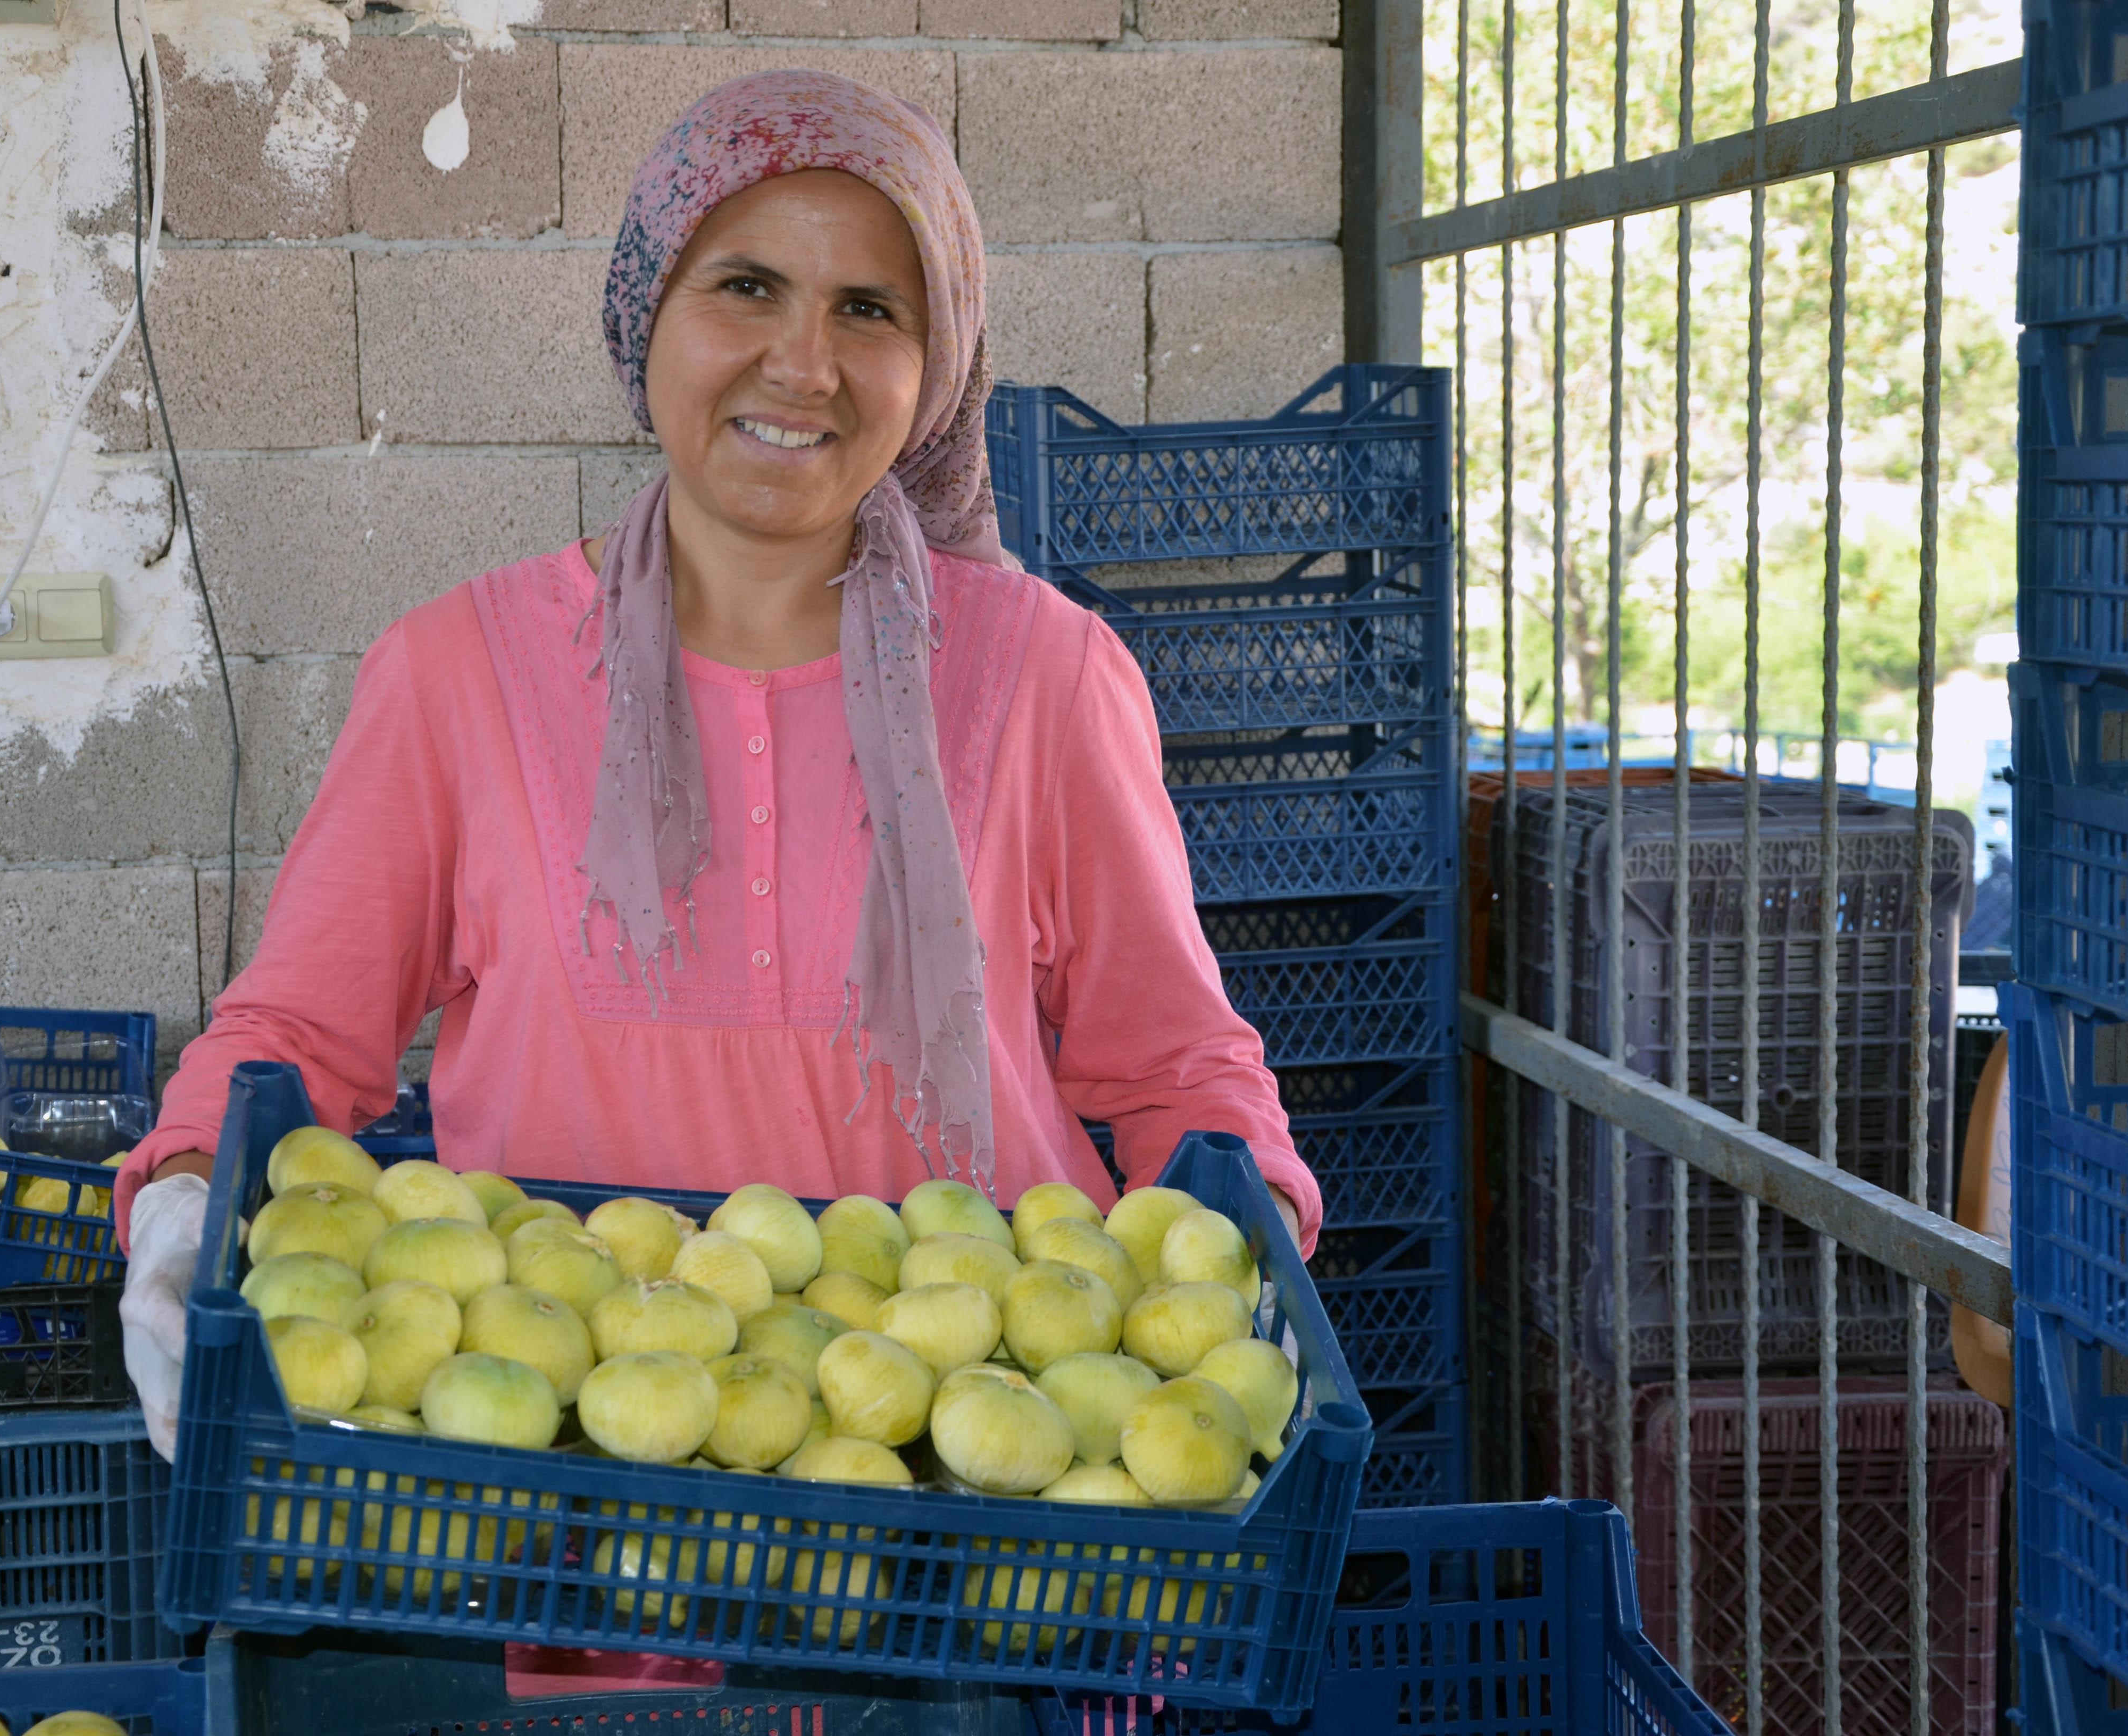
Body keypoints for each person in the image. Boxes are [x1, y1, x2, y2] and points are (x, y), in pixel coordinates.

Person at [113, 70, 1320, 1457]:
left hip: (974, 1491)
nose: (803, 365)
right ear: (649, 319)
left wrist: (1249, 1254)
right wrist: (187, 1203)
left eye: (870, 310)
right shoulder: (456, 674)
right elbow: (293, 1036)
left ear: (937, 368)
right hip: (568, 1483)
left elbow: (1176, 1065)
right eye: (746, 287)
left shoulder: (1047, 676)